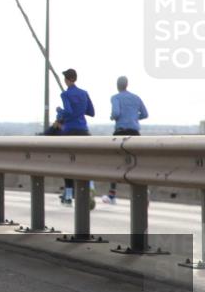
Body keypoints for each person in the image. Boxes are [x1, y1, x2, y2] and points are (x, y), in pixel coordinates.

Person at [52, 68, 95, 205]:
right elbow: (91, 112)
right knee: (84, 162)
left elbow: (69, 112)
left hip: (69, 131)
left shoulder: (65, 94)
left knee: (67, 163)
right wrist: (79, 108)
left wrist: (60, 111)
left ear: (66, 79)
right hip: (83, 130)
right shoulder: (84, 93)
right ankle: (90, 187)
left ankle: (69, 196)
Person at [105, 76, 148, 204]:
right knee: (136, 163)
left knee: (115, 163)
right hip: (135, 133)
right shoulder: (136, 98)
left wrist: (112, 117)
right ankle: (143, 193)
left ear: (117, 85)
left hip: (121, 133)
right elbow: (145, 114)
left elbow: (116, 113)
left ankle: (112, 195)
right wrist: (133, 118)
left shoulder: (115, 98)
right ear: (127, 84)